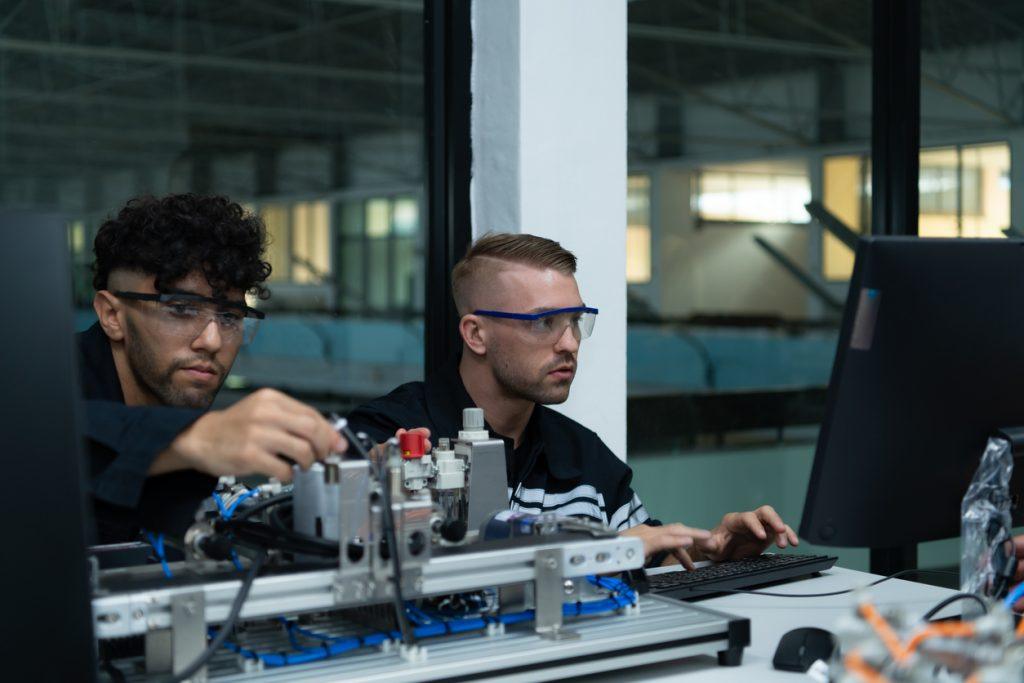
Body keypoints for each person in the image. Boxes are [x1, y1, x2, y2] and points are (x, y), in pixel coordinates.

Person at [347, 233, 798, 567]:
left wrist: (710, 550)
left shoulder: (583, 456)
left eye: (575, 322)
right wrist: (605, 550)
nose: (570, 343)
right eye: (544, 323)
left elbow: (641, 549)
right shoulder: (388, 436)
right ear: (476, 334)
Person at [82, 194, 345, 543]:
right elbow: (36, 443)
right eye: (181, 308)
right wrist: (194, 438)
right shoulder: (33, 387)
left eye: (229, 317)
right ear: (113, 316)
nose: (212, 340)